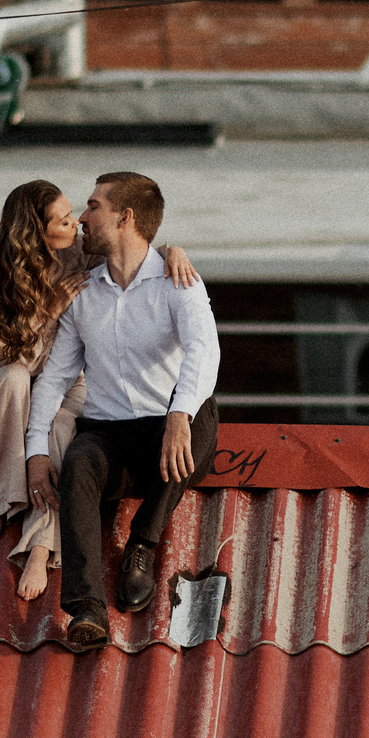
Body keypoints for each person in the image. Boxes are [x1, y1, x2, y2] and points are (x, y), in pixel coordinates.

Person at [0, 179, 197, 600]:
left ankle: (41, 544)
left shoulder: (77, 253)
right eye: (64, 220)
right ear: (36, 231)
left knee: (61, 430)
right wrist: (48, 311)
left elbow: (129, 246)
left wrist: (170, 252)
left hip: (62, 381)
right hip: (6, 384)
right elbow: (2, 357)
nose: (77, 224)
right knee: (16, 380)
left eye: (76, 214)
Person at [24, 170, 220, 650]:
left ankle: (142, 545)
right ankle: (87, 610)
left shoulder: (179, 281)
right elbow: (55, 376)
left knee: (200, 420)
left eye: (93, 206)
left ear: (125, 216)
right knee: (78, 463)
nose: (84, 218)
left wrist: (178, 414)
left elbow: (205, 350)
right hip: (109, 434)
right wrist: (34, 451)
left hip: (166, 434)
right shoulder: (83, 292)